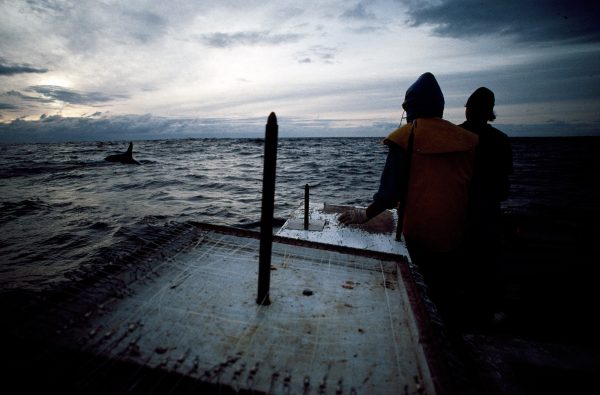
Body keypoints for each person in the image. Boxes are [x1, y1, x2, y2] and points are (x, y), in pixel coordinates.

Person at [339, 72, 478, 325]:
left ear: (409, 107)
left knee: (420, 298)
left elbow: (387, 196)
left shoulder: (406, 137)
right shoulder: (467, 140)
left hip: (418, 236)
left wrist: (362, 215)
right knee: (445, 295)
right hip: (456, 234)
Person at [458, 87, 513, 323]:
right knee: (486, 265)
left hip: (462, 213)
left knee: (464, 266)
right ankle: (486, 312)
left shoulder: (455, 135)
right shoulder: (501, 140)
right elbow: (504, 186)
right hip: (488, 212)